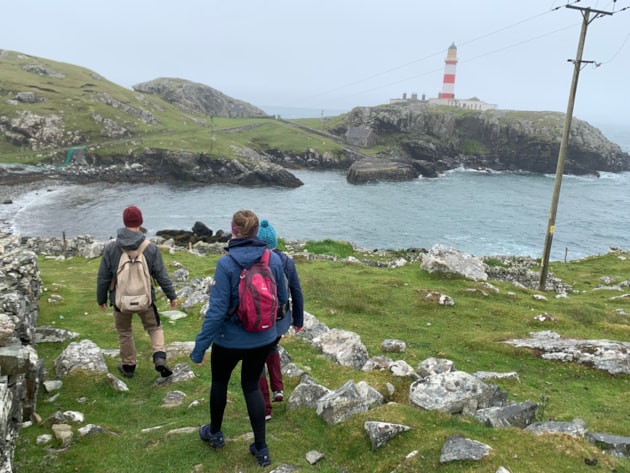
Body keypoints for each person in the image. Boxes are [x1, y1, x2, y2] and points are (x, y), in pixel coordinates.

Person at [189, 209, 288, 468]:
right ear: (257, 232)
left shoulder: (226, 263)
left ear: (233, 230)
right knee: (251, 386)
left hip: (228, 340)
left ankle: (215, 433)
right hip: (264, 338)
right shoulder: (272, 260)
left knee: (220, 382)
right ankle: (261, 448)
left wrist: (200, 348)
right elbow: (283, 300)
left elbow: (217, 312)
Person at [96, 205, 178, 379]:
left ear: (125, 222)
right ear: (141, 222)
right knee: (154, 328)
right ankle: (159, 358)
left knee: (125, 332)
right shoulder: (150, 248)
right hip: (146, 300)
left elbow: (103, 277)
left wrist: (101, 298)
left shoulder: (111, 248)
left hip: (120, 300)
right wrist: (172, 295)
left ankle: (129, 367)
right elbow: (161, 275)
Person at [256, 219, 304, 421]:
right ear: (275, 241)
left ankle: (265, 408)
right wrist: (298, 320)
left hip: (258, 320)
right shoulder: (285, 260)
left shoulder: (253, 261)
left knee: (256, 360)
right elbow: (296, 291)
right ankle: (278, 389)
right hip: (280, 320)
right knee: (272, 347)